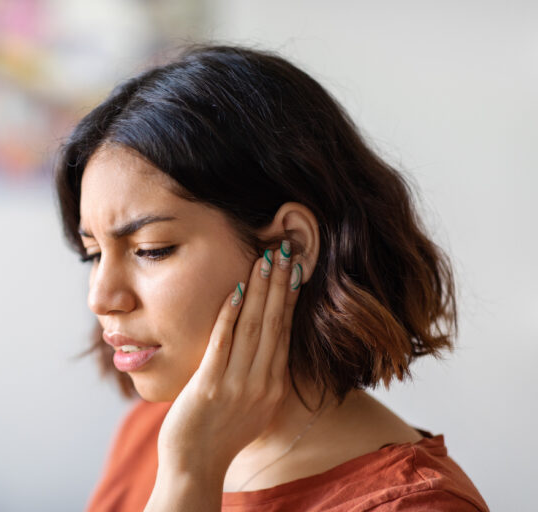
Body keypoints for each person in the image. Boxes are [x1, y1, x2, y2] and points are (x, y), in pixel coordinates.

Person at [54, 45, 489, 511]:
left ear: (292, 248)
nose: (100, 298)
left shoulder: (414, 505)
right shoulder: (156, 433)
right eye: (94, 255)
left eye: (150, 250)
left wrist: (189, 478)